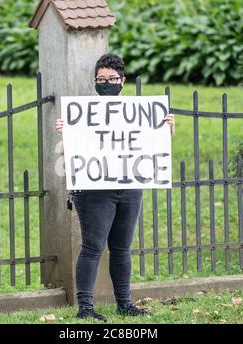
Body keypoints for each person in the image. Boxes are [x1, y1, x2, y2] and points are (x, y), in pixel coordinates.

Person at [55, 54, 175, 322]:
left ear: (123, 81)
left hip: (130, 186)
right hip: (94, 191)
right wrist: (66, 133)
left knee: (122, 248)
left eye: (111, 79)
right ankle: (85, 308)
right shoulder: (82, 115)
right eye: (101, 79)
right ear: (95, 81)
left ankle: (125, 304)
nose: (106, 83)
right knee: (93, 246)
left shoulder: (138, 114)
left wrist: (167, 130)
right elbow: (68, 154)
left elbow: (152, 146)